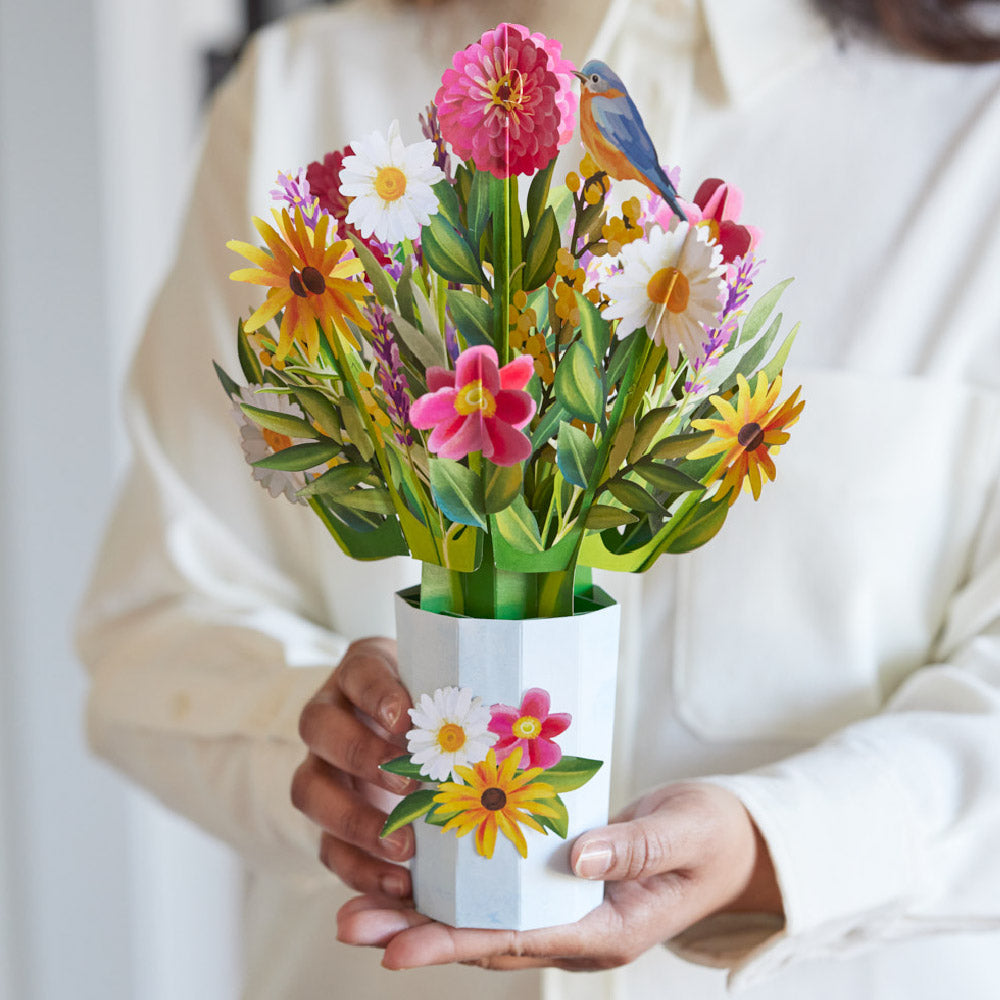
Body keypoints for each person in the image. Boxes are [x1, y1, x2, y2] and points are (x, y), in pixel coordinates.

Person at [77, 0, 1000, 997]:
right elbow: (155, 627)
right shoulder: (301, 94)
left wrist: (770, 845)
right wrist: (328, 749)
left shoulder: (976, 134)